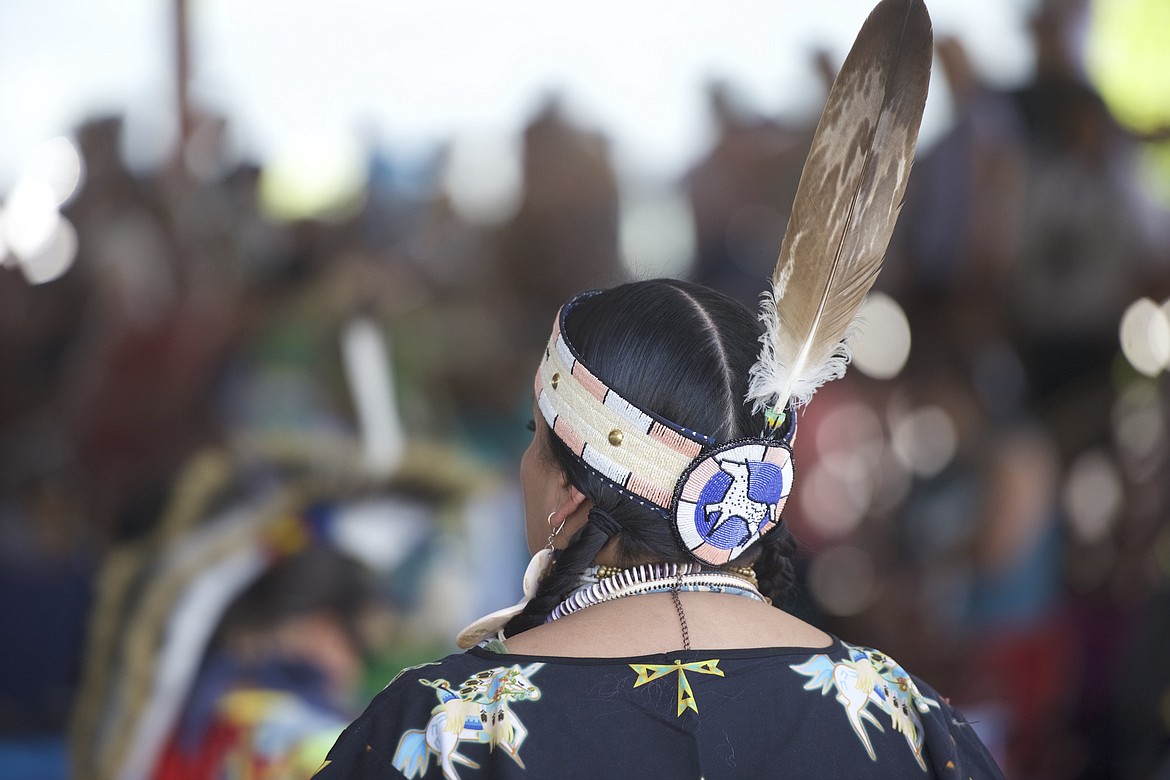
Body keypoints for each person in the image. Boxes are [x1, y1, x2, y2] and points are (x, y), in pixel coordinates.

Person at [314, 1, 1002, 777]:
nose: (523, 468)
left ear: (570, 493)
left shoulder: (436, 732)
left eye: (534, 443)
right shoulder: (906, 723)